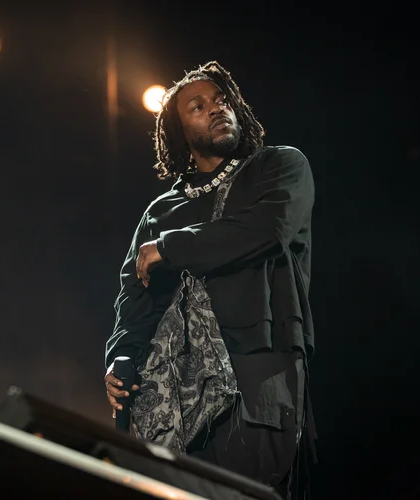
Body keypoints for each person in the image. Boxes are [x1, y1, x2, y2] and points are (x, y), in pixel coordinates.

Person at [103, 61, 317, 499]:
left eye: (221, 100)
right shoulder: (161, 211)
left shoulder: (278, 166)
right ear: (181, 133)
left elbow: (265, 230)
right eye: (198, 106)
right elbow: (135, 300)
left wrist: (171, 248)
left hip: (258, 366)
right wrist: (121, 359)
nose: (216, 109)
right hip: (171, 393)